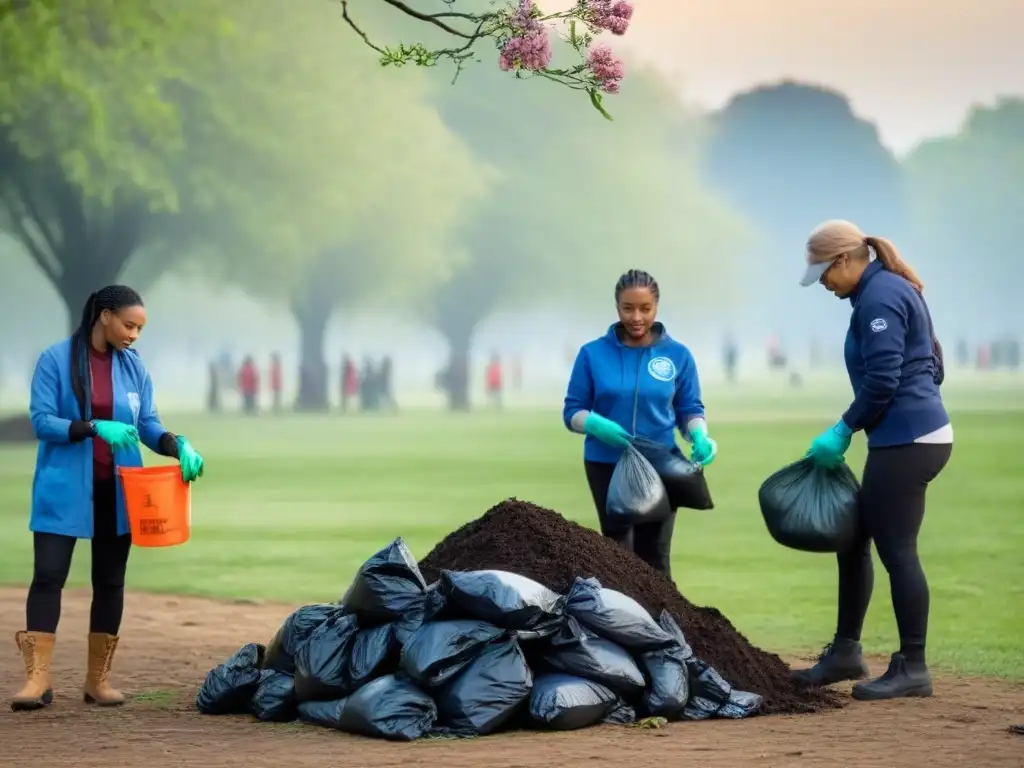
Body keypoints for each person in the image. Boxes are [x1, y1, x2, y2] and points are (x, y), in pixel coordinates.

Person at [13, 285, 205, 712]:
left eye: (140, 328)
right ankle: (36, 681)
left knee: (110, 582)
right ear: (104, 315)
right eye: (129, 324)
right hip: (62, 489)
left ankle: (97, 681)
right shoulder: (55, 360)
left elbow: (148, 424)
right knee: (48, 577)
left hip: (119, 491)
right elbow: (43, 422)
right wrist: (95, 427)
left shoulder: (133, 367)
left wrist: (179, 444)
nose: (135, 335)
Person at [793, 220, 952, 701]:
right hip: (911, 434)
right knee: (854, 536)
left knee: (897, 549)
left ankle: (914, 667)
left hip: (907, 441)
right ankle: (846, 651)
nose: (822, 282)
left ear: (844, 260)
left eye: (824, 272)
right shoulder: (883, 289)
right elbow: (933, 363)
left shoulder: (880, 296)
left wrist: (843, 429)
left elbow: (882, 381)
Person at [562, 269, 718, 580]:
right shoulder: (592, 354)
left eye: (645, 309)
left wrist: (699, 434)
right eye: (627, 308)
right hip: (605, 463)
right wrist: (595, 425)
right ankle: (621, 626)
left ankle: (665, 627)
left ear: (656, 307)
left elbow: (689, 409)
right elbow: (572, 412)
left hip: (661, 464)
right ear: (617, 307)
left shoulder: (678, 355)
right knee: (617, 555)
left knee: (655, 556)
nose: (636, 317)